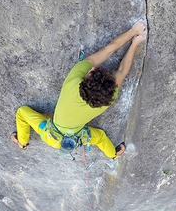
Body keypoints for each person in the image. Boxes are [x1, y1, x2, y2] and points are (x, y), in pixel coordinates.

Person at [11, 20, 147, 159]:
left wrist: (133, 31)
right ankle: (113, 154)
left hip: (50, 135)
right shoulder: (108, 98)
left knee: (22, 112)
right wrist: (136, 42)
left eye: (90, 72)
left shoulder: (73, 82)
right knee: (100, 137)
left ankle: (22, 142)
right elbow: (122, 70)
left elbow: (109, 49)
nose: (92, 68)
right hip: (77, 139)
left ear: (84, 80)